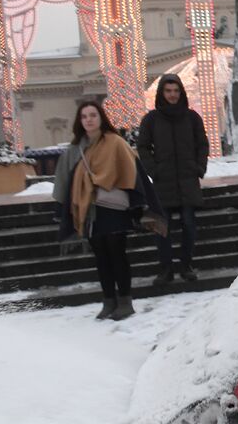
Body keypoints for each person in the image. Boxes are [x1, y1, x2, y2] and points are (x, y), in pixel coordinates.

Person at [52, 101, 162, 320]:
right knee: (101, 256)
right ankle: (108, 301)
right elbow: (64, 181)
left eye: (93, 115)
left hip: (114, 208)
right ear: (79, 121)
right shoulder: (74, 150)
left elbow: (133, 171)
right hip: (90, 211)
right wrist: (63, 210)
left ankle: (125, 302)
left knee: (116, 254)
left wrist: (139, 204)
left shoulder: (115, 143)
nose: (89, 120)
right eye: (84, 116)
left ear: (101, 117)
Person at [137, 75, 209, 284]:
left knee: (188, 225)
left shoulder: (192, 117)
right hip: (163, 182)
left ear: (181, 93)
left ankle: (186, 265)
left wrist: (199, 167)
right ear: (162, 93)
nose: (172, 95)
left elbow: (202, 144)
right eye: (168, 91)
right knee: (162, 229)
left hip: (187, 180)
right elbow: (143, 146)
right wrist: (154, 170)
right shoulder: (151, 119)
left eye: (176, 91)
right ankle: (166, 269)